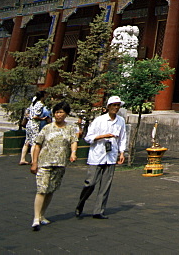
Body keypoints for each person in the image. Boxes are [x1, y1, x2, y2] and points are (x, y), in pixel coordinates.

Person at [29, 100, 79, 231]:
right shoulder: (47, 128)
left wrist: (73, 153)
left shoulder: (70, 129)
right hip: (44, 163)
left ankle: (42, 215)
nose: (58, 115)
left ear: (66, 114)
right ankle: (35, 218)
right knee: (41, 189)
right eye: (56, 112)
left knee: (51, 190)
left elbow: (74, 141)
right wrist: (34, 162)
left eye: (61, 112)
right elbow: (37, 145)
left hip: (60, 163)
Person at [76, 96, 127, 220]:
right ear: (108, 107)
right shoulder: (99, 120)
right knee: (91, 182)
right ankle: (81, 203)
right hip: (97, 155)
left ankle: (99, 210)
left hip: (111, 155)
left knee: (105, 185)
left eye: (117, 105)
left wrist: (122, 153)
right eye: (113, 105)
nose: (116, 108)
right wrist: (102, 136)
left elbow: (123, 137)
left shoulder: (120, 121)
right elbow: (88, 137)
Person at [19, 90, 48, 165]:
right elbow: (36, 116)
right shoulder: (40, 104)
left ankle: (22, 159)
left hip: (29, 123)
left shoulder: (32, 103)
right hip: (34, 124)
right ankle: (33, 160)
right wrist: (42, 119)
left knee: (27, 141)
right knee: (34, 142)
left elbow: (27, 112)